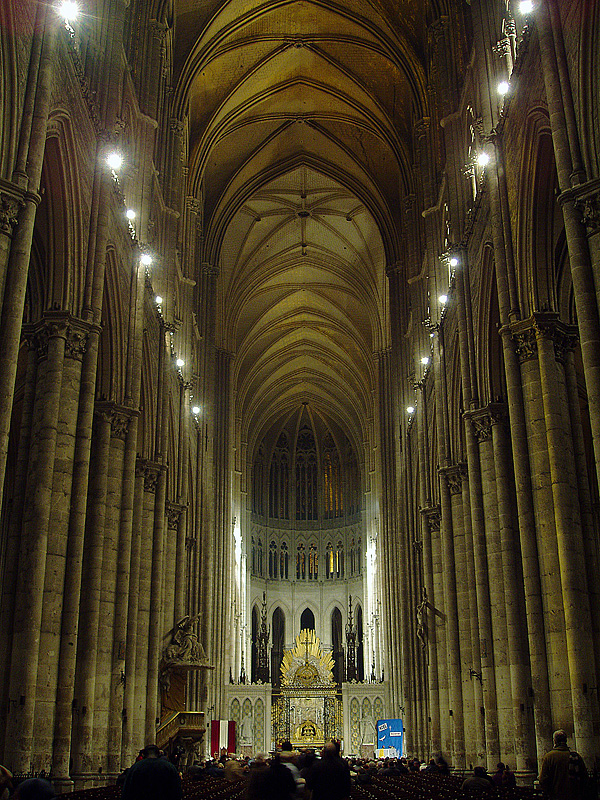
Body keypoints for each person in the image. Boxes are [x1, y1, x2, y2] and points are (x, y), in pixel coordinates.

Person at [539, 729, 589, 800]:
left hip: (556, 796)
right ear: (566, 741)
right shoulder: (576, 756)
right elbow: (584, 777)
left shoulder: (549, 757)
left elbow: (543, 780)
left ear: (554, 741)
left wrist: (550, 792)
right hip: (573, 796)